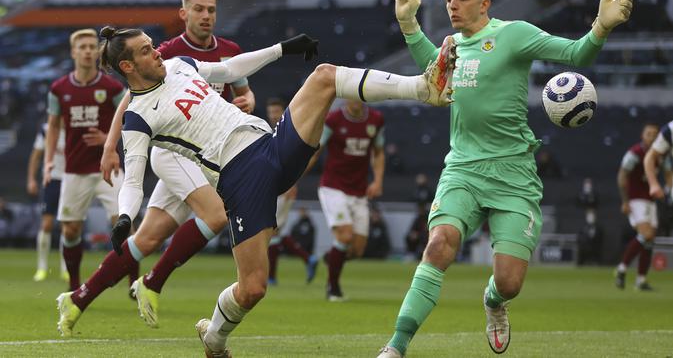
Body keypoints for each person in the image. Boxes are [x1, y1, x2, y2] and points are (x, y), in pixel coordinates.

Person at [84, 19, 453, 356]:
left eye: (153, 44)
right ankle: (214, 337)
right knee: (253, 288)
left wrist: (283, 48)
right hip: (241, 181)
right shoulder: (137, 117)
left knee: (323, 77)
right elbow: (133, 178)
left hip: (269, 144)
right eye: (147, 50)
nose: (157, 51)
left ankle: (423, 88)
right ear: (128, 67)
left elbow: (230, 68)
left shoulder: (180, 64)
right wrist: (125, 218)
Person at [377, 0, 632, 357]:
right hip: (462, 168)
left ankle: (494, 301)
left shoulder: (515, 34)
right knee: (438, 244)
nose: (452, 6)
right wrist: (409, 25)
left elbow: (576, 55)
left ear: (485, 3)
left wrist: (601, 26)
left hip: (514, 175)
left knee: (509, 282)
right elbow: (434, 75)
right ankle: (395, 346)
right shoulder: (451, 46)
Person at [56, 0, 256, 336]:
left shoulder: (230, 51)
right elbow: (132, 100)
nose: (206, 15)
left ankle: (78, 298)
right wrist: (110, 146)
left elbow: (242, 88)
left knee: (145, 240)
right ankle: (153, 280)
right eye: (199, 9)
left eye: (211, 9)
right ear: (185, 13)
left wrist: (247, 102)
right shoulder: (166, 52)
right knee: (215, 214)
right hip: (173, 153)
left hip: (202, 152)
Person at [44, 28, 129, 293]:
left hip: (108, 167)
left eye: (93, 46)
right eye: (82, 47)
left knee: (123, 224)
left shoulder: (113, 87)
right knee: (70, 231)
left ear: (98, 51)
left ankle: (133, 283)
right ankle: (73, 286)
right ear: (73, 52)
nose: (88, 51)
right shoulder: (59, 89)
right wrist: (48, 162)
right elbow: (54, 126)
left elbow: (132, 117)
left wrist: (108, 138)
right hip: (75, 169)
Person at [307, 99, 385, 301]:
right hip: (333, 187)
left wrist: (377, 181)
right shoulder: (333, 120)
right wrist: (293, 178)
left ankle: (332, 258)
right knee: (345, 236)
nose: (354, 100)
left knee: (357, 249)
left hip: (359, 191)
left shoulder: (376, 120)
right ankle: (333, 289)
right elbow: (316, 151)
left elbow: (379, 152)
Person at [265, 98, 318, 286]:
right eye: (270, 112)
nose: (273, 115)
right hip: (272, 186)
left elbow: (300, 159)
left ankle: (271, 276)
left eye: (276, 111)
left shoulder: (290, 132)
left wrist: (293, 183)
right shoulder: (269, 131)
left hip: (283, 188)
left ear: (284, 111)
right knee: (277, 232)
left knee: (272, 231)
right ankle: (306, 259)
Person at [615, 123, 658, 290]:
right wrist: (625, 200)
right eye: (649, 133)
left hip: (650, 200)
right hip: (635, 199)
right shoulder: (634, 153)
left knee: (649, 240)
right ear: (642, 135)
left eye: (655, 133)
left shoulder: (659, 154)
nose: (652, 136)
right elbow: (622, 175)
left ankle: (641, 280)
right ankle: (621, 268)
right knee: (646, 234)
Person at [27, 122, 68, 281]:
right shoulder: (46, 129)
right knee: (47, 224)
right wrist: (31, 179)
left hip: (71, 180)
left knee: (68, 226)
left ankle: (65, 268)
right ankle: (42, 267)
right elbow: (36, 155)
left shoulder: (75, 127)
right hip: (51, 180)